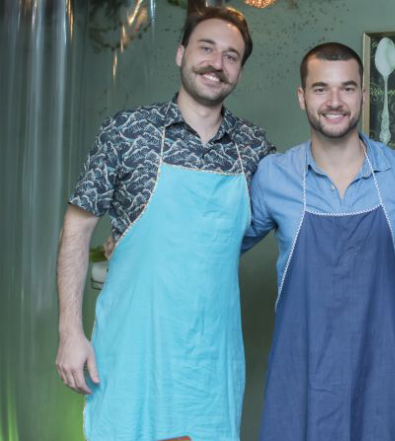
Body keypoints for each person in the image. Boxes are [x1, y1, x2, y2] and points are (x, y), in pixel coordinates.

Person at [55, 7, 274, 441]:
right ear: (180, 54)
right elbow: (76, 231)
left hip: (209, 362)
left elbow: (304, 197)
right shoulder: (127, 131)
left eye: (232, 56)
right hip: (133, 352)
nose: (217, 63)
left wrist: (393, 167)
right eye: (206, 48)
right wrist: (70, 332)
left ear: (240, 72)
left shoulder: (254, 149)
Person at [241, 43, 395, 441]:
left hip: (386, 373)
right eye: (321, 89)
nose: (334, 102)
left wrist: (389, 274)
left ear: (364, 97)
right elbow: (216, 249)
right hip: (302, 373)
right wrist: (132, 242)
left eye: (347, 88)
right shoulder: (273, 176)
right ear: (302, 97)